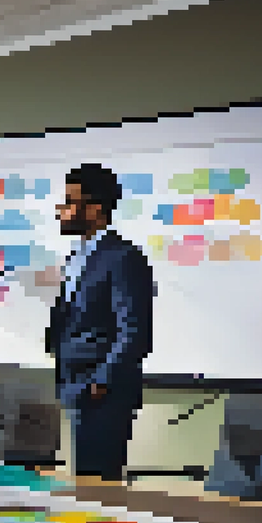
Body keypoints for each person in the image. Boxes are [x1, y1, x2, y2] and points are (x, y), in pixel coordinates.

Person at [45, 163, 155, 482]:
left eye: (68, 202)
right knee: (83, 482)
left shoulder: (123, 257)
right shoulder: (77, 256)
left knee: (97, 488)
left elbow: (134, 330)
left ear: (94, 209)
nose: (60, 211)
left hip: (102, 391)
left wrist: (102, 381)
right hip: (74, 383)